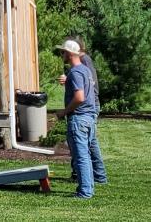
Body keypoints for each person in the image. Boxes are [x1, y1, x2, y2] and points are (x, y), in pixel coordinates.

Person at [55, 39, 107, 199]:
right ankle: (88, 187)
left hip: (79, 119)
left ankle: (85, 192)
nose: (62, 55)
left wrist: (64, 112)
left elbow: (79, 97)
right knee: (85, 155)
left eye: (63, 52)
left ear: (70, 54)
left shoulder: (76, 72)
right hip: (89, 117)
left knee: (81, 156)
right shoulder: (85, 70)